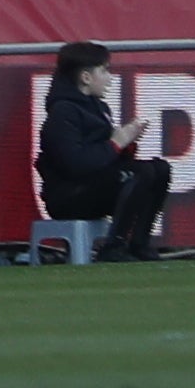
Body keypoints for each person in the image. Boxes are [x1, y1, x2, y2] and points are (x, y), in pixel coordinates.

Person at [30, 38, 175, 265]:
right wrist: (115, 143)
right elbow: (76, 164)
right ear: (85, 77)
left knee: (159, 170)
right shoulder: (63, 113)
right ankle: (113, 247)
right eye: (104, 71)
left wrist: (126, 146)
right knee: (140, 174)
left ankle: (140, 243)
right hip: (69, 195)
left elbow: (105, 158)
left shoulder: (99, 108)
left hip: (94, 185)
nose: (109, 78)